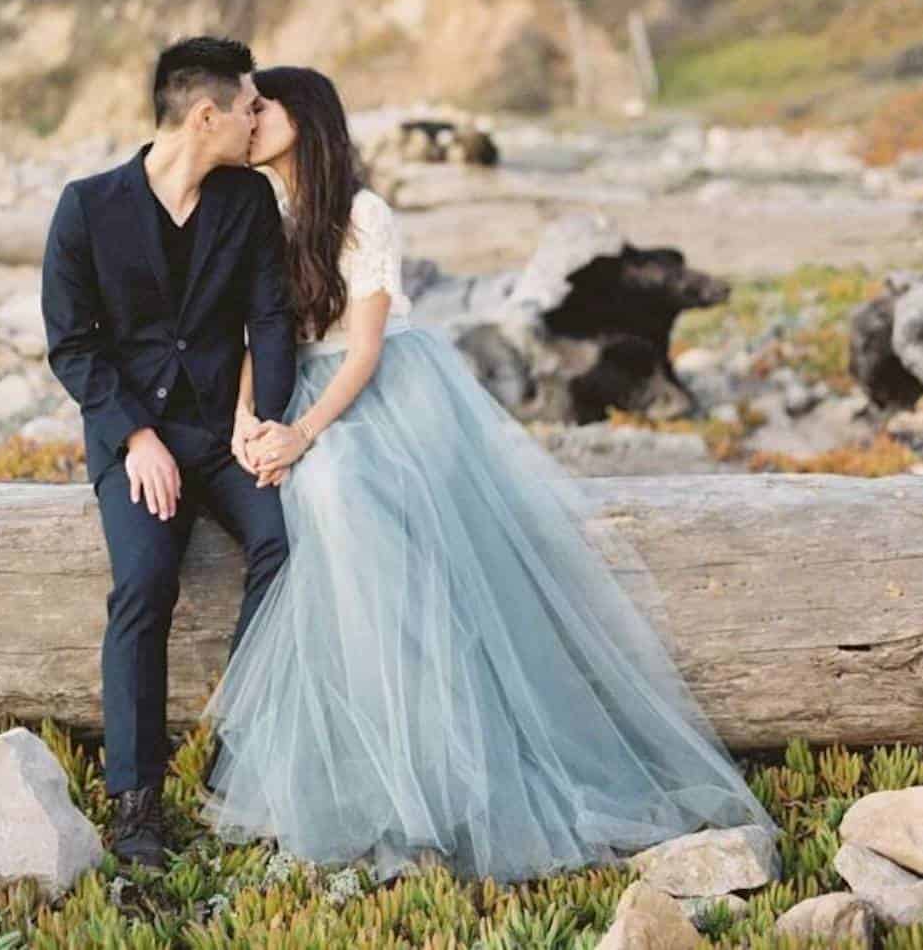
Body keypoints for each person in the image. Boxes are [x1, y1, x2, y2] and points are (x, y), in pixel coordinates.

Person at [198, 65, 780, 884]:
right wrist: (245, 423)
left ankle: (446, 776)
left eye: (262, 105)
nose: (246, 118)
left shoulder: (361, 215)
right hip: (292, 390)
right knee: (322, 533)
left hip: (382, 395)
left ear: (308, 113)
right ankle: (371, 773)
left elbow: (362, 350)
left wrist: (298, 434)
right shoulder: (256, 213)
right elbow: (257, 335)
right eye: (242, 108)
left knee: (343, 497)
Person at [41, 36, 297, 871]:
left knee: (282, 546)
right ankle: (136, 801)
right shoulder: (87, 205)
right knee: (144, 583)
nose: (259, 119)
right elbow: (73, 347)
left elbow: (270, 317)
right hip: (136, 438)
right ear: (205, 114)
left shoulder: (248, 200)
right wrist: (136, 439)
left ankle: (235, 746)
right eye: (251, 106)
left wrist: (261, 417)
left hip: (224, 433)